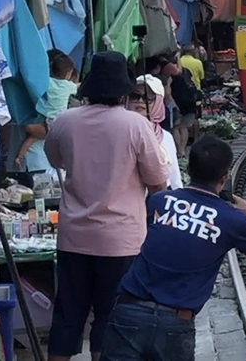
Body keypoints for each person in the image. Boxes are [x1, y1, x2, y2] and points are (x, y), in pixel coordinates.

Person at [44, 51, 170, 361]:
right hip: (120, 240)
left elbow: (55, 159)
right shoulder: (136, 125)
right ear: (123, 91)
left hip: (73, 236)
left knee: (67, 314)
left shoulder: (64, 121)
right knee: (110, 317)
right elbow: (158, 182)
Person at [100, 136, 246, 361]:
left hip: (129, 311)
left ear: (188, 170)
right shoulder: (233, 219)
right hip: (176, 322)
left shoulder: (159, 201)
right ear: (224, 177)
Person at [14, 51, 78, 169]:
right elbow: (78, 87)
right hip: (58, 122)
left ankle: (19, 157)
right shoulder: (67, 86)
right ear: (68, 74)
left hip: (46, 118)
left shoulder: (46, 83)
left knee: (33, 138)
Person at [127, 75, 183, 190]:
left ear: (158, 102)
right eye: (135, 96)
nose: (140, 101)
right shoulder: (120, 132)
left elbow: (175, 179)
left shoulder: (166, 137)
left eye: (148, 98)